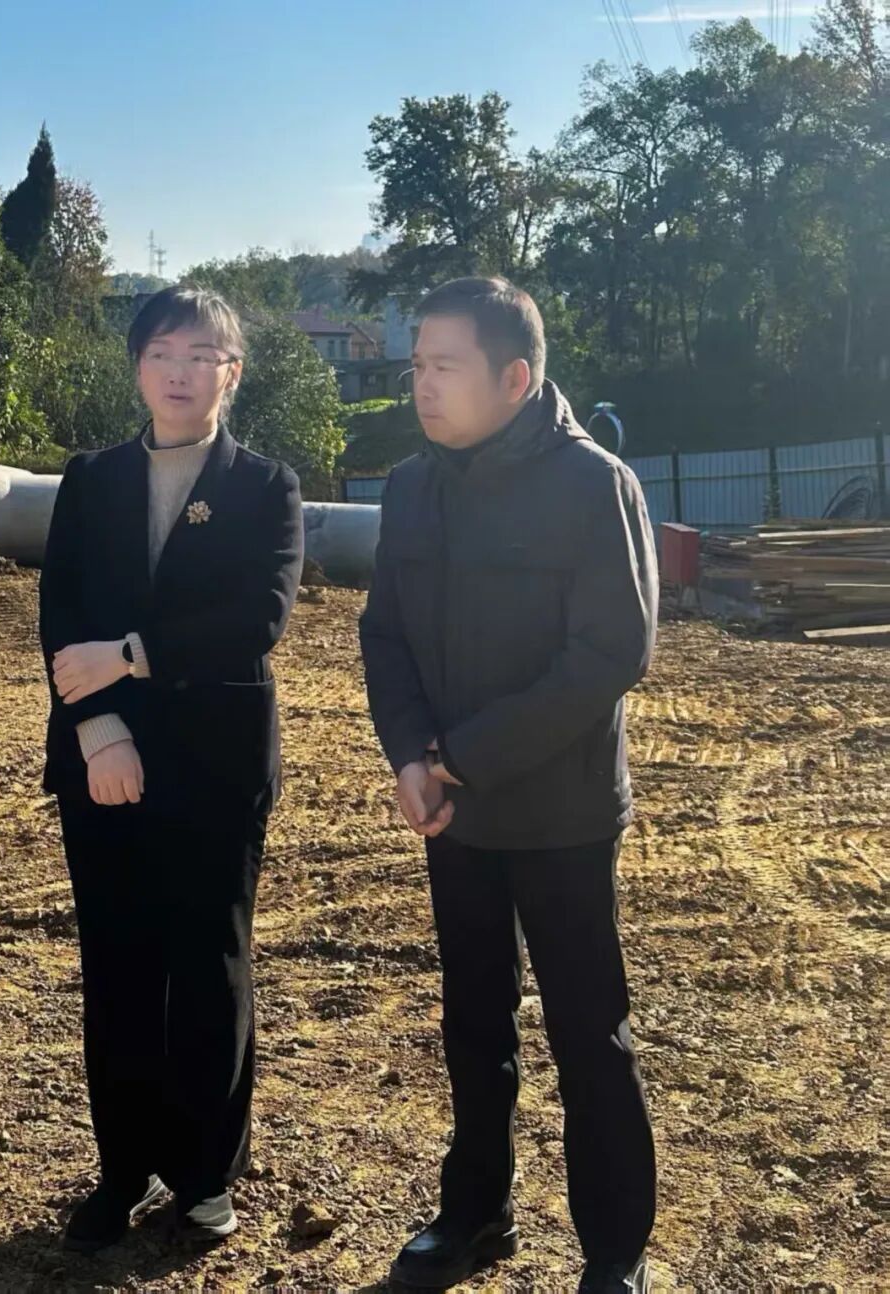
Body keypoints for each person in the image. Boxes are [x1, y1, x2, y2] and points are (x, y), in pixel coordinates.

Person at [359, 277, 658, 1292]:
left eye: (444, 367)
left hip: (563, 813)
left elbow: (610, 652)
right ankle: (477, 1212)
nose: (422, 386)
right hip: (455, 812)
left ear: (515, 378)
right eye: (417, 365)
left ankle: (613, 1252)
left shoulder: (593, 485)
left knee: (589, 1032)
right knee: (473, 1021)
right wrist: (410, 755)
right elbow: (385, 632)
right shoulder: (412, 487)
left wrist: (463, 757)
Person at [37, 285, 304, 1254]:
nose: (179, 372)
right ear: (139, 367)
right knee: (117, 967)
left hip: (215, 765)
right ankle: (123, 1171)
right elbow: (61, 614)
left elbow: (258, 618)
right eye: (161, 353)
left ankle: (203, 1175)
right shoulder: (91, 479)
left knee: (208, 964)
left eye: (201, 355)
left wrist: (132, 656)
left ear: (232, 372)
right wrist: (98, 728)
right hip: (101, 760)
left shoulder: (265, 487)